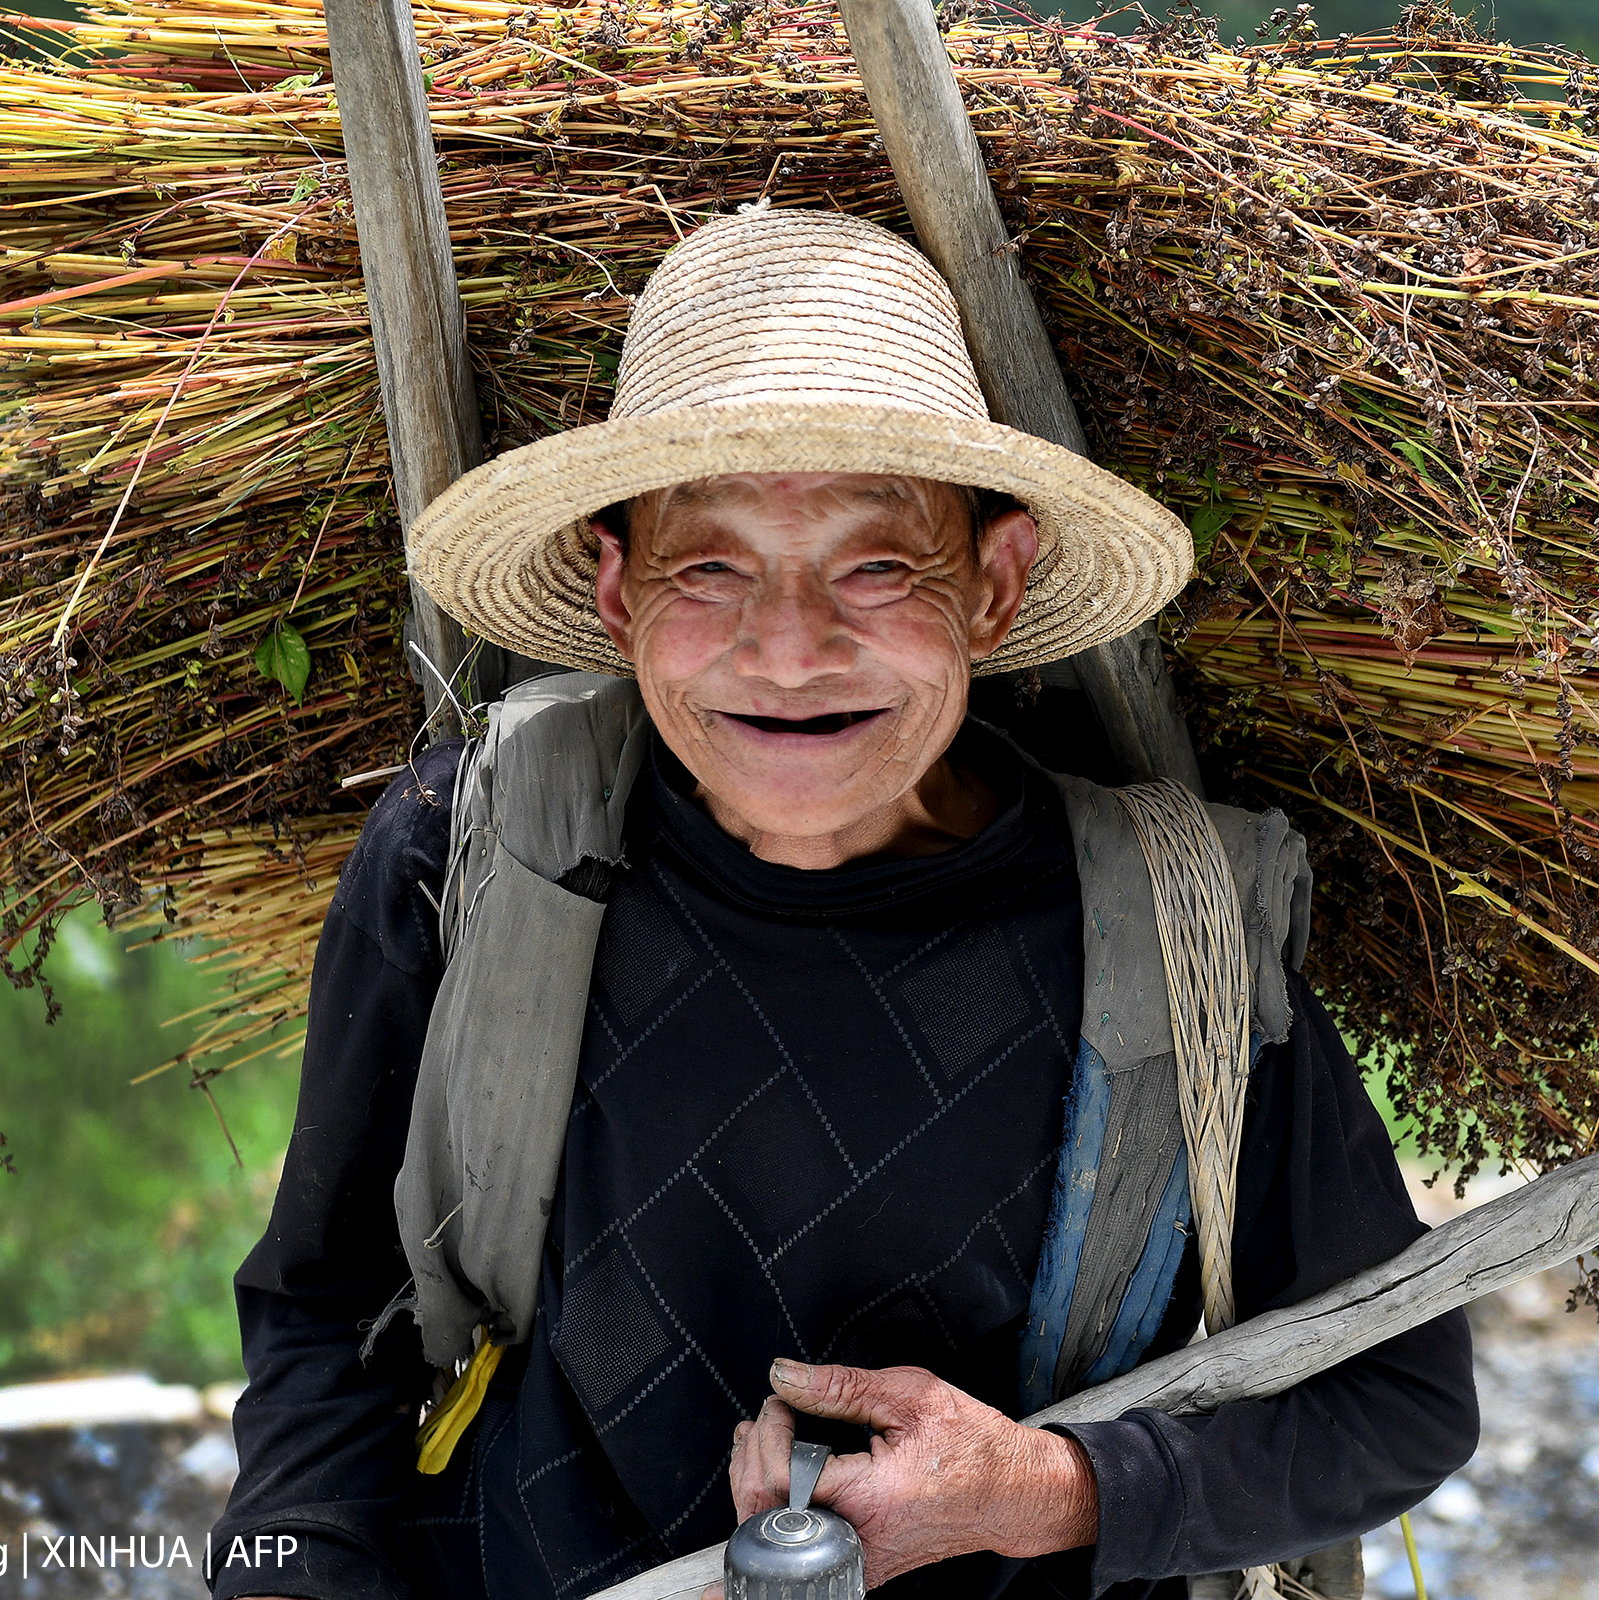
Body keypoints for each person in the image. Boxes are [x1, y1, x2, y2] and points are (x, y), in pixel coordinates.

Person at [208, 208, 1476, 1600]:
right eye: (712, 569)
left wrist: (1041, 1494)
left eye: (877, 567)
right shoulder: (484, 853)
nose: (791, 651)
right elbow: (324, 1312)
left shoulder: (1171, 942)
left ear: (995, 587)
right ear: (619, 591)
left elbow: (1396, 1402)